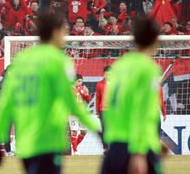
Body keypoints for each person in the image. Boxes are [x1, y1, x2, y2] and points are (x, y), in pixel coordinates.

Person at [0, 12, 100, 174]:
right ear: (55, 32)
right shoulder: (58, 61)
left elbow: (6, 102)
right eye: (63, 31)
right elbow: (70, 101)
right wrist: (96, 128)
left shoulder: (21, 60)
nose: (65, 35)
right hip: (49, 139)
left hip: (26, 141)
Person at [101, 18, 163, 174]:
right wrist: (139, 151)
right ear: (155, 39)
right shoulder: (147, 69)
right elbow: (140, 111)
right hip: (136, 146)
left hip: (115, 144)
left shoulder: (120, 65)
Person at [69, 74, 92, 155]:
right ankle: (75, 151)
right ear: (74, 81)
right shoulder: (69, 89)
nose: (80, 83)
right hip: (72, 114)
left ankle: (74, 145)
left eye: (81, 81)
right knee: (74, 131)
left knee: (84, 132)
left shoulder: (83, 88)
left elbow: (88, 99)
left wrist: (86, 93)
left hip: (81, 114)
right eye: (78, 81)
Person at [96, 65, 112, 153]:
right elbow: (97, 98)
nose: (108, 76)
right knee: (105, 129)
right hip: (103, 110)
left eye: (110, 74)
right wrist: (98, 112)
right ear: (104, 74)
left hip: (114, 110)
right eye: (106, 74)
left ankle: (113, 147)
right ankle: (105, 147)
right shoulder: (99, 84)